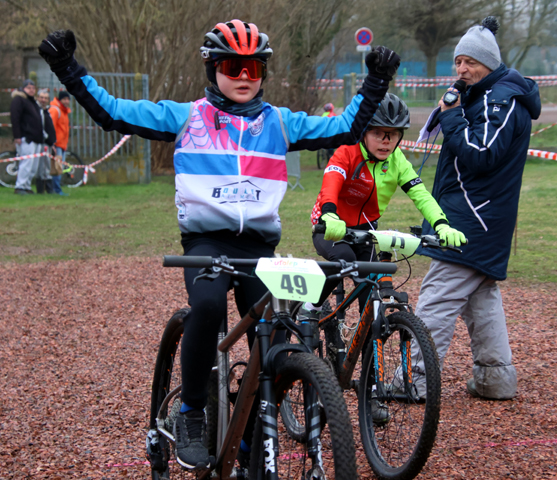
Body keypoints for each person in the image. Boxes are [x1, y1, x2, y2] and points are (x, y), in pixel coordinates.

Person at [39, 22, 399, 470]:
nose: (244, 75)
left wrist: (376, 81)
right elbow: (111, 112)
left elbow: (346, 129)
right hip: (207, 239)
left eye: (253, 66)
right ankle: (191, 411)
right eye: (233, 65)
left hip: (259, 246)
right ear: (213, 69)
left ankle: (249, 439)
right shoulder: (187, 116)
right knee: (207, 306)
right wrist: (66, 67)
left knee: (279, 344)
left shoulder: (279, 122)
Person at [411, 17, 541, 401]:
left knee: (437, 297)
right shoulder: (482, 95)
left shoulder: (501, 99)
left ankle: (414, 382)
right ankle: (495, 378)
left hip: (474, 219)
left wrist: (451, 115)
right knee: (480, 294)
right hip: (478, 215)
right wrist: (457, 107)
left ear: (489, 62)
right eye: (458, 62)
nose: (463, 69)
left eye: (471, 62)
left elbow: (481, 154)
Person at [304, 92, 466, 321]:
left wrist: (442, 225)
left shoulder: (397, 160)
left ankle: (369, 347)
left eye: (392, 135)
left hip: (364, 230)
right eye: (377, 133)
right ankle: (308, 307)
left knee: (371, 291)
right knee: (344, 260)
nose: (385, 141)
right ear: (363, 132)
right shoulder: (347, 150)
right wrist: (329, 214)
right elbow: (331, 181)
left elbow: (420, 194)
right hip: (330, 225)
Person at [10, 79, 55, 195]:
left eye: (33, 88)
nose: (31, 90)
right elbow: (15, 119)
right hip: (27, 137)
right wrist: (17, 136)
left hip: (37, 139)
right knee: (26, 163)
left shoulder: (33, 102)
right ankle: (20, 186)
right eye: (29, 88)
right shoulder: (19, 100)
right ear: (23, 88)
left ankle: (27, 186)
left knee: (33, 166)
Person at [48, 90, 72, 196]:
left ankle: (56, 189)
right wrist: (52, 142)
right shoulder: (56, 110)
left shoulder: (64, 112)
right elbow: (51, 126)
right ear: (60, 99)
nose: (66, 101)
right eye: (64, 99)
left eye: (68, 99)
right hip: (56, 144)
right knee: (57, 168)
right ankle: (56, 190)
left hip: (62, 144)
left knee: (59, 168)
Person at [34, 89, 57, 194]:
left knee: (46, 165)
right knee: (42, 166)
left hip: (49, 143)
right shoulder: (37, 110)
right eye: (41, 97)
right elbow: (40, 126)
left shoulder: (47, 110)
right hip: (42, 141)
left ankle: (47, 189)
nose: (43, 100)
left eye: (46, 98)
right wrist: (47, 138)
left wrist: (52, 143)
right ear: (38, 98)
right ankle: (43, 189)